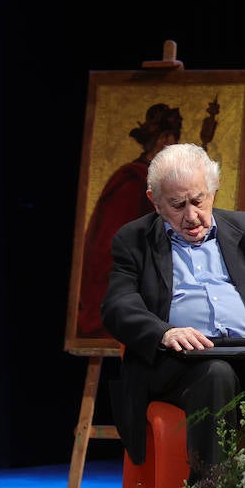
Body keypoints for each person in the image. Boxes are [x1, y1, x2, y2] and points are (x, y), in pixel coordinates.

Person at [102, 143, 245, 476]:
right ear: (154, 201)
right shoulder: (134, 240)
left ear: (213, 190)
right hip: (180, 362)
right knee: (216, 372)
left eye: (198, 200)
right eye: (177, 204)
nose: (191, 216)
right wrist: (164, 332)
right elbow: (117, 305)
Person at [77, 103, 185, 337]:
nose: (173, 145)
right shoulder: (131, 180)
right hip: (131, 281)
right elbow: (111, 242)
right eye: (169, 138)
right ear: (160, 140)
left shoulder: (164, 184)